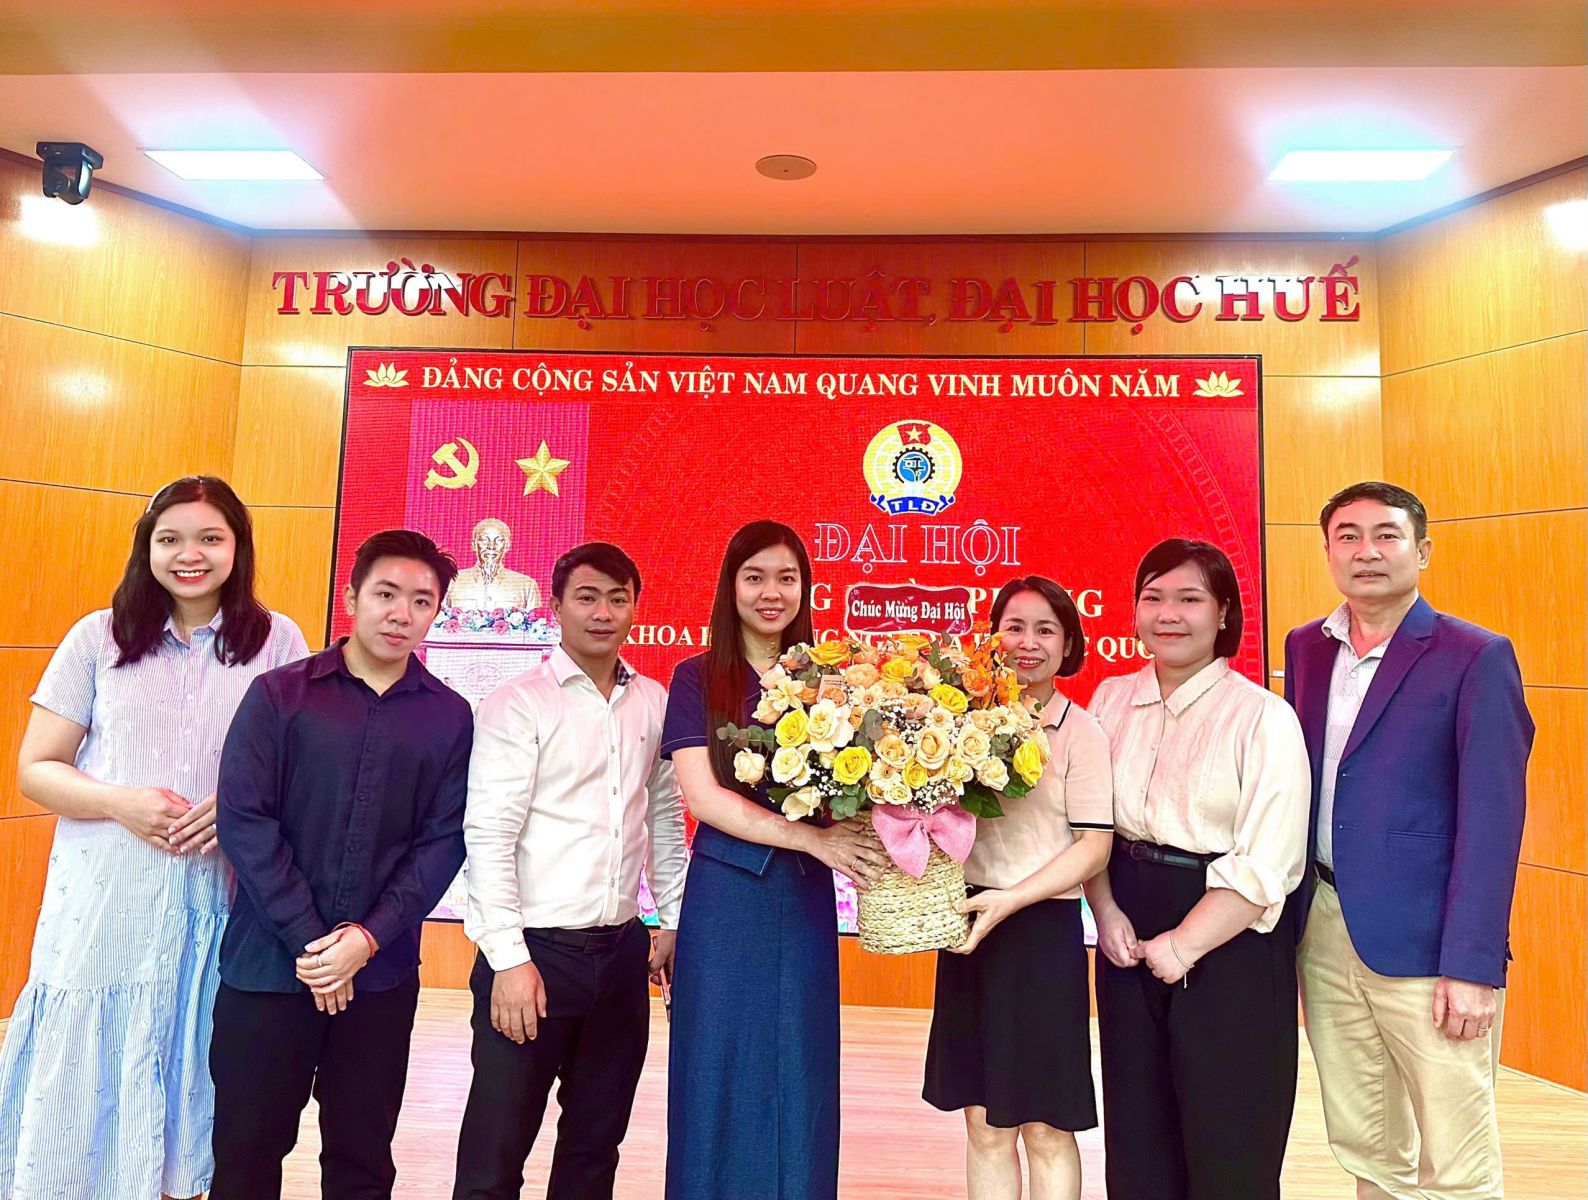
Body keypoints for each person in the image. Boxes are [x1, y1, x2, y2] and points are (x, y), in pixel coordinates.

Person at [0, 475, 308, 1200]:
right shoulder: (96, 637)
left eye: (209, 538)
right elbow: (36, 769)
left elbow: (304, 769)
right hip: (108, 900)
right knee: (88, 1074)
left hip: (221, 897)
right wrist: (121, 803)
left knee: (198, 1066)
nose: (188, 555)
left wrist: (239, 809)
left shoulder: (279, 641)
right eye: (170, 539)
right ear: (147, 547)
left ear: (238, 546)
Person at [1284, 481, 1533, 1199]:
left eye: (1386, 535)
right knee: (1366, 1140)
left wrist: (1472, 965)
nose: (1367, 551)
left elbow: (1493, 822)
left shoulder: (1475, 655)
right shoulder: (1306, 648)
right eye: (1349, 536)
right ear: (1328, 552)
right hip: (1324, 928)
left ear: (1421, 551)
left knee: (1457, 1158)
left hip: (1430, 947)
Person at [207, 529, 472, 1200]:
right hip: (268, 971)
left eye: (421, 601)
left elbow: (442, 843)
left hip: (379, 979)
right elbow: (245, 821)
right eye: (386, 594)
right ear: (351, 597)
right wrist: (315, 943)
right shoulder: (279, 696)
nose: (401, 614)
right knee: (244, 1158)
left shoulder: (450, 717)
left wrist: (365, 940)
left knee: (362, 1163)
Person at [660, 520, 889, 1200]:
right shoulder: (697, 677)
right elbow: (703, 798)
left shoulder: (834, 682)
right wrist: (814, 840)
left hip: (804, 898)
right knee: (717, 1066)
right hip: (726, 898)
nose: (771, 593)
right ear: (730, 586)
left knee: (800, 1065)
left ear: (805, 589)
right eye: (755, 577)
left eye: (786, 578)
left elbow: (854, 795)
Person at [452, 542, 688, 1200]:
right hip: (534, 955)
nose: (603, 612)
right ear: (556, 607)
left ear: (635, 608)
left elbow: (665, 816)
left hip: (621, 958)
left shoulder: (653, 701)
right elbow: (489, 834)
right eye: (587, 597)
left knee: (594, 1149)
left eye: (617, 598)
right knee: (494, 1158)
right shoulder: (518, 703)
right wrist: (507, 960)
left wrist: (673, 916)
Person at [1087, 538, 1310, 1200]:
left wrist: (1184, 945)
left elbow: (1270, 860)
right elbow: (1087, 823)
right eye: (1152, 597)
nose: (1169, 614)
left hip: (1230, 934)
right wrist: (1105, 911)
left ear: (1224, 613)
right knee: (1137, 1134)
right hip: (1127, 921)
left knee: (1230, 1137)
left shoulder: (1262, 716)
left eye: (1189, 599)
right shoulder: (1109, 700)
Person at [924, 576, 1113, 1200]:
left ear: (1068, 644)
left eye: (1045, 630)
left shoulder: (1081, 733)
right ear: (992, 637)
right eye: (1014, 627)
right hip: (968, 928)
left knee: (1047, 1127)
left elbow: (1093, 846)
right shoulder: (956, 721)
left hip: (1040, 936)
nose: (1028, 643)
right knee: (983, 1124)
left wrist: (1012, 900)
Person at [445, 517, 543, 611]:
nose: (491, 546)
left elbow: (536, 621)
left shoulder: (526, 585)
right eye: (484, 540)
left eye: (498, 540)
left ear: (507, 545)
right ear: (474, 544)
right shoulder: (451, 582)